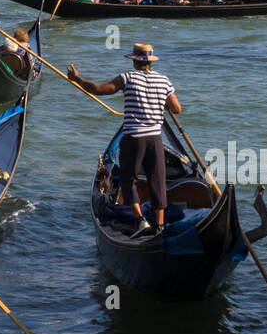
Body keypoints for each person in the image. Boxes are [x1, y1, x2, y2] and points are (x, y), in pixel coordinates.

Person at [66, 43, 181, 238]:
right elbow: (177, 109)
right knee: (157, 181)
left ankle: (140, 221)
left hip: (134, 138)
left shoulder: (127, 78)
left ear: (135, 61)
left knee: (128, 179)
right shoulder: (164, 80)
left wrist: (77, 79)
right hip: (155, 138)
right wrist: (162, 103)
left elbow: (99, 89)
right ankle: (160, 225)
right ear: (150, 62)